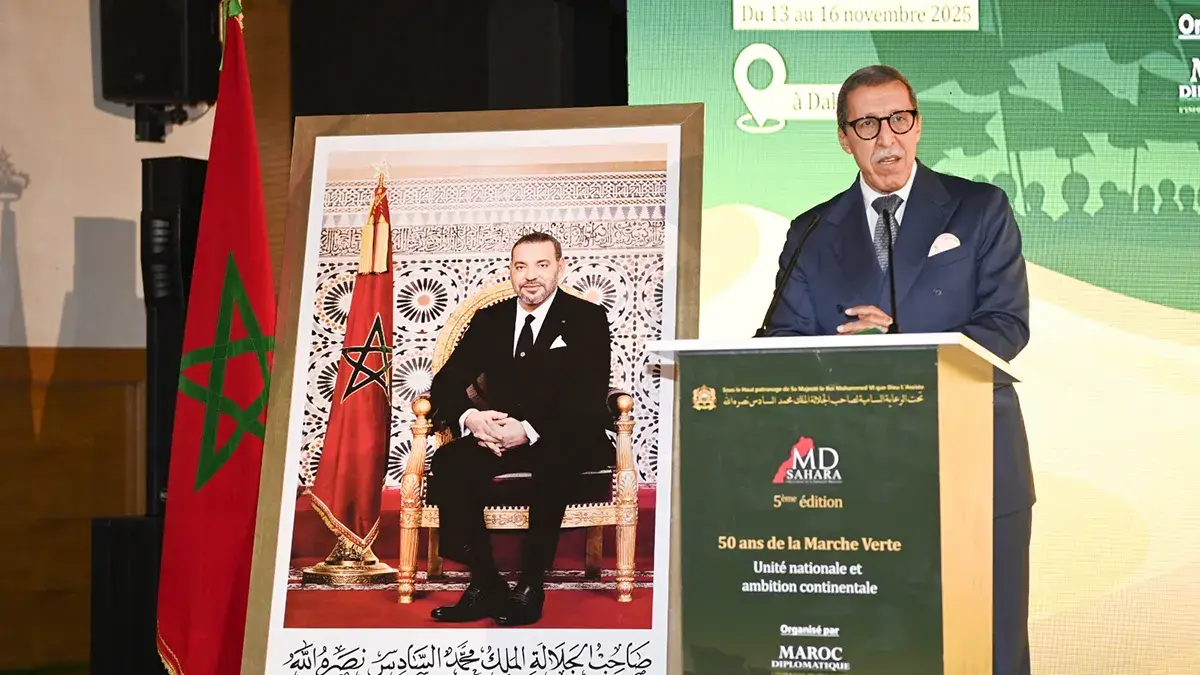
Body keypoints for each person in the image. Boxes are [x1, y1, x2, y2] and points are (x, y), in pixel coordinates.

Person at [762, 65, 1034, 675]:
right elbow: (780, 340)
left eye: (899, 120)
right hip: (859, 472)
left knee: (990, 643)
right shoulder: (810, 231)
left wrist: (902, 343)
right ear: (843, 137)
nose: (886, 139)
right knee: (881, 646)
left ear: (918, 125)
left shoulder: (978, 208)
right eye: (866, 124)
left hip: (977, 461)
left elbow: (1006, 324)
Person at [426, 231, 613, 627]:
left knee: (554, 459)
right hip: (497, 433)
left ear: (560, 269)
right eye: (520, 266)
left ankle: (530, 585)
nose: (530, 276)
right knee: (448, 461)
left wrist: (527, 430)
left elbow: (588, 396)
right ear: (510, 271)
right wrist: (473, 420)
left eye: (541, 265)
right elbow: (445, 382)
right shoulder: (489, 320)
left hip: (564, 433)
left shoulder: (586, 319)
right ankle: (485, 583)